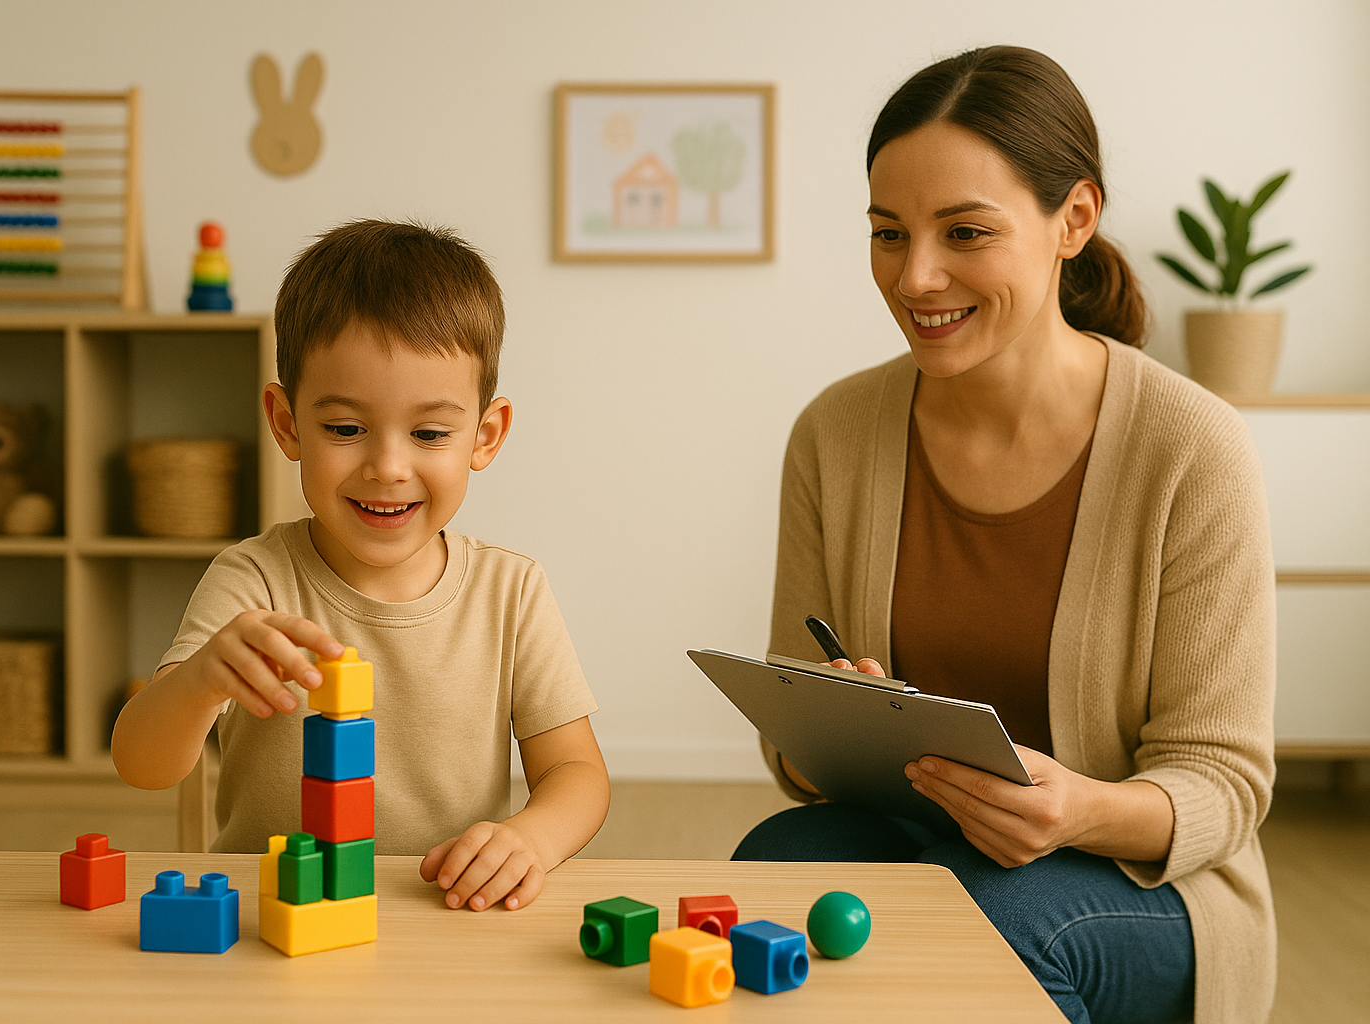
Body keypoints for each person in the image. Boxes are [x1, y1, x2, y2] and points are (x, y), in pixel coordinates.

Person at [733, 47, 1275, 1024]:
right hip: (924, 832)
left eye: (965, 231)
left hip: (1142, 880)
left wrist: (1080, 808)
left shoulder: (1193, 447)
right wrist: (834, 725)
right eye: (888, 233)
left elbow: (1224, 782)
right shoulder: (835, 432)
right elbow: (794, 742)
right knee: (774, 867)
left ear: (1074, 219)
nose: (917, 276)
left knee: (988, 926)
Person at [112, 220, 610, 913]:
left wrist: (531, 838)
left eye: (430, 433)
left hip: (444, 913)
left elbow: (577, 773)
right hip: (275, 916)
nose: (387, 467)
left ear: (484, 436)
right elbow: (143, 765)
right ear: (285, 423)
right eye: (345, 429)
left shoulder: (511, 591)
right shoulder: (253, 580)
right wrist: (198, 682)